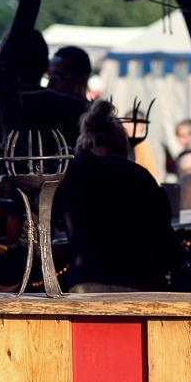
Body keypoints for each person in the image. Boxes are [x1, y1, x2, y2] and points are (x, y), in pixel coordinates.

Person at [0, 30, 87, 197]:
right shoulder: (75, 109)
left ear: (3, 65)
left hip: (9, 218)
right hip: (60, 216)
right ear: (47, 65)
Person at [57, 99, 178, 292]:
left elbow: (37, 232)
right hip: (140, 286)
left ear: (81, 147)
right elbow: (167, 248)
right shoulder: (141, 177)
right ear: (124, 149)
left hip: (84, 284)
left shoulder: (68, 177)